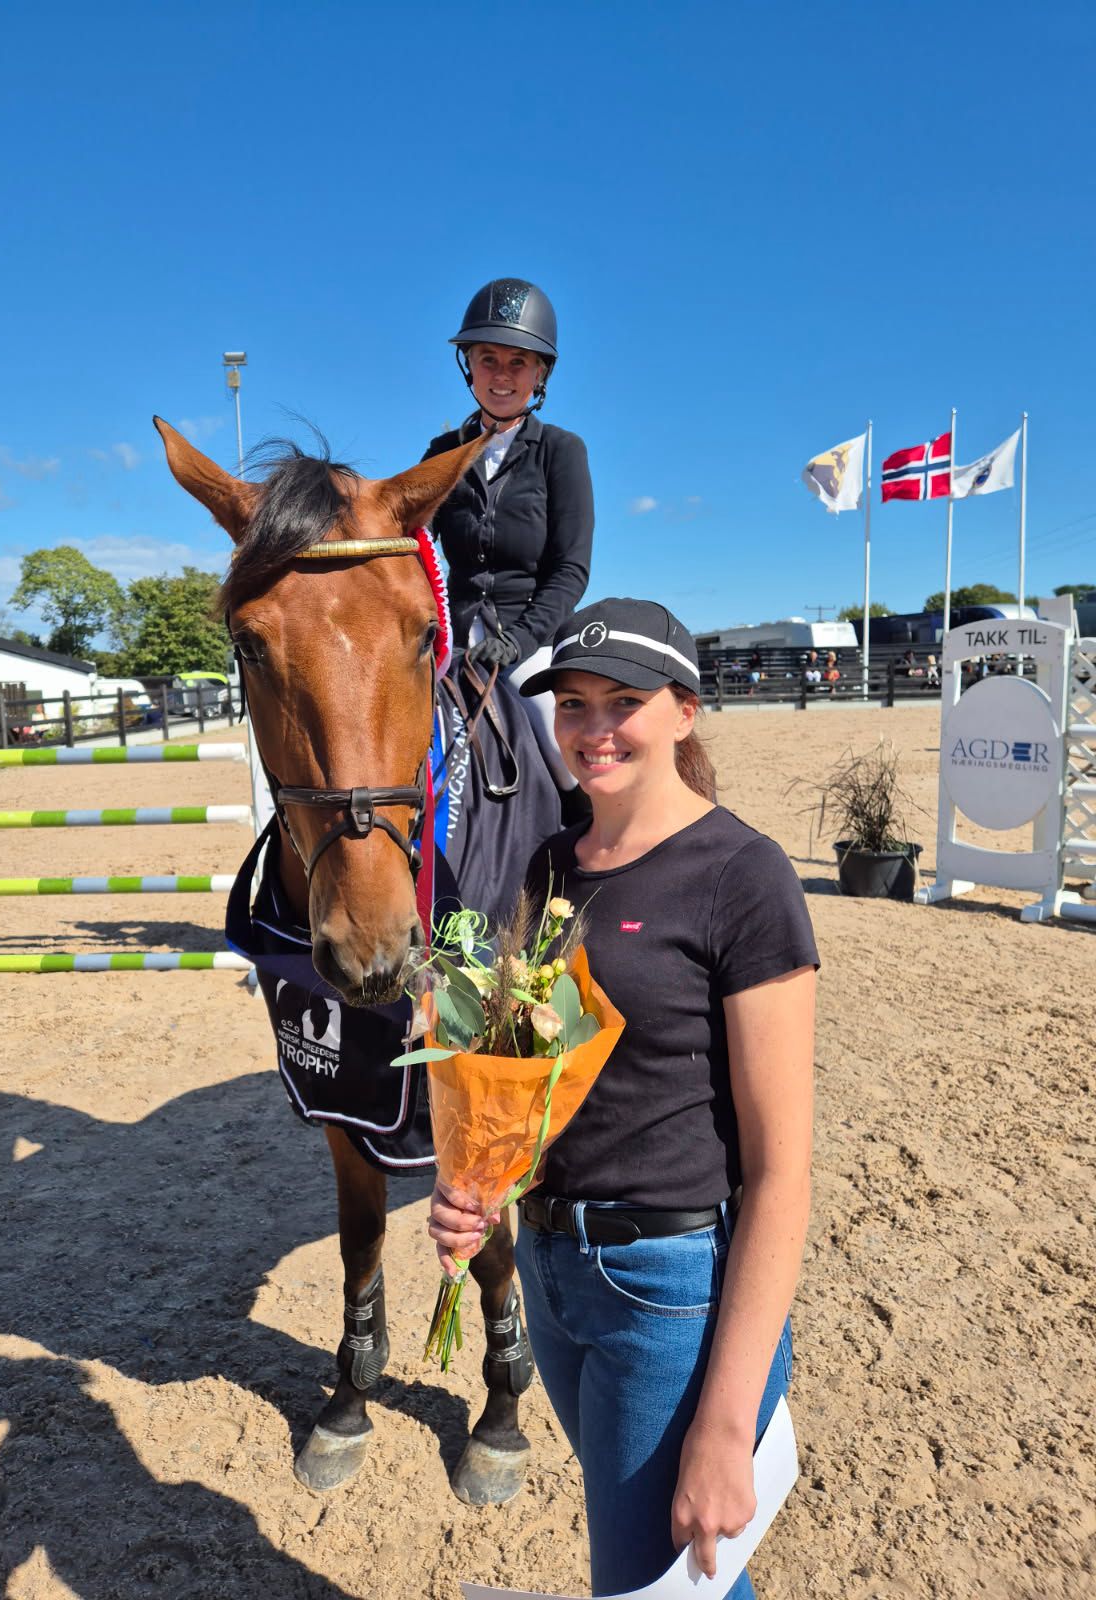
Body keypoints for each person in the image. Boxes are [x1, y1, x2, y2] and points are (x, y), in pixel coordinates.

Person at [429, 599, 818, 1598]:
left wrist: (728, 1424)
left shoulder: (744, 876)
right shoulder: (551, 862)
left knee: (658, 1578)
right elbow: (537, 1066)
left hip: (669, 1289)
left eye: (624, 702)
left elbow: (780, 1174)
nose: (593, 728)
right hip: (554, 1275)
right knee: (675, 1579)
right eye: (573, 703)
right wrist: (478, 1177)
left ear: (684, 712)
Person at [421, 279, 594, 800]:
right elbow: (416, 545)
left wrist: (519, 640)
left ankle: (586, 838)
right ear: (468, 365)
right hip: (451, 643)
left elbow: (570, 569)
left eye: (518, 362)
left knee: (562, 749)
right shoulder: (440, 452)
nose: (501, 375)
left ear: (540, 372)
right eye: (488, 358)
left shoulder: (561, 451)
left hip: (530, 644)